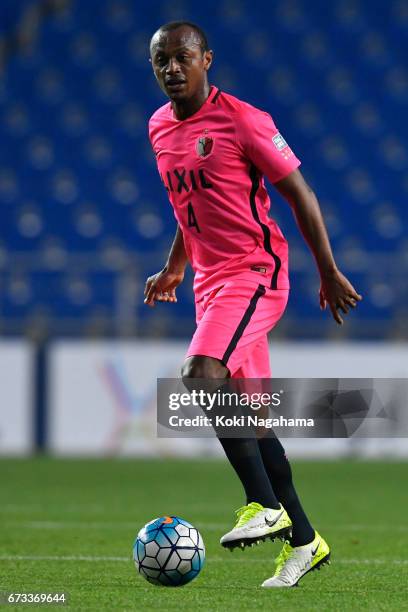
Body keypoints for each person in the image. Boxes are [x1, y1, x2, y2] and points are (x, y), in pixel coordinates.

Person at [144, 20, 362, 588]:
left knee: (199, 372)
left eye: (182, 57)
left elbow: (300, 193)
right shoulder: (159, 127)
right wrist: (176, 264)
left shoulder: (243, 119)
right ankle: (306, 543)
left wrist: (329, 270)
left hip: (255, 272)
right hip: (209, 283)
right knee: (256, 424)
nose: (172, 68)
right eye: (161, 60)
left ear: (206, 60)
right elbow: (187, 204)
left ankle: (261, 505)